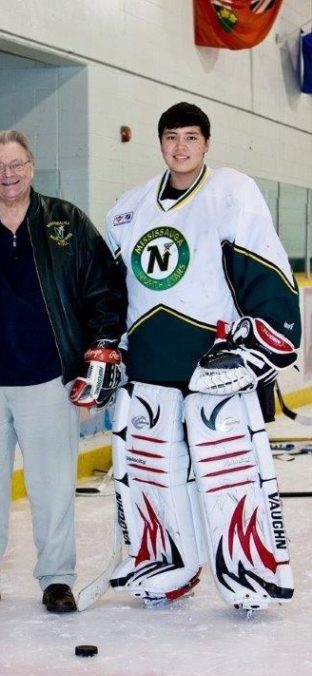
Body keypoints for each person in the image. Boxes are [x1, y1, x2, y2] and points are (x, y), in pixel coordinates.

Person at [105, 101, 301, 612]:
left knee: (229, 475)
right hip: (149, 364)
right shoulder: (129, 207)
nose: (180, 147)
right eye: (171, 137)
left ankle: (248, 577)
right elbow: (110, 292)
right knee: (150, 473)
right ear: (160, 143)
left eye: (191, 137)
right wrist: (106, 348)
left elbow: (267, 270)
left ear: (207, 143)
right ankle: (164, 568)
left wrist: (262, 341)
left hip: (215, 364)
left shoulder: (231, 193)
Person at [0, 130, 126, 613]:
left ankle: (57, 578)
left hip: (48, 382)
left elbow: (102, 291)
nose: (7, 175)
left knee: (53, 487)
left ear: (32, 166)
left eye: (16, 165)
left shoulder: (68, 224)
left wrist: (100, 348)